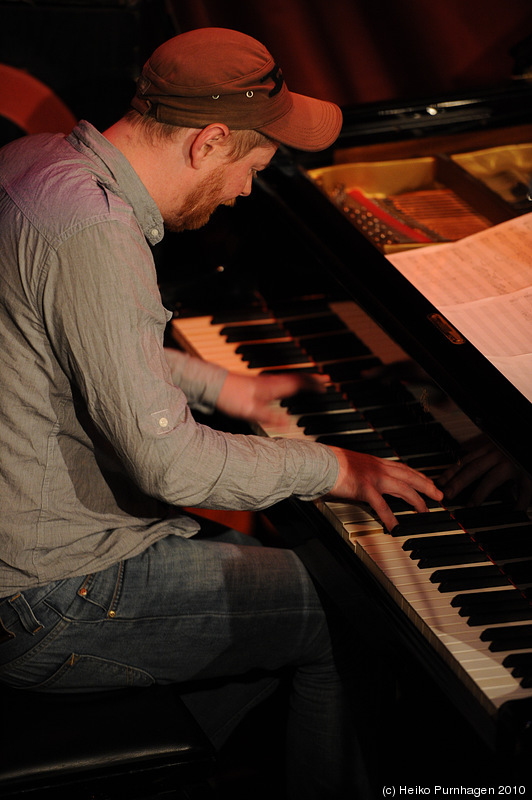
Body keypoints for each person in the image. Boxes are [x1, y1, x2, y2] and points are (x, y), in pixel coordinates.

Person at [0, 27, 443, 798]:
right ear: (209, 141)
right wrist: (333, 464)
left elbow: (72, 338)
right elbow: (169, 464)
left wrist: (217, 387)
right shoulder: (99, 233)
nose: (244, 192)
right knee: (360, 616)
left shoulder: (35, 163)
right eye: (254, 166)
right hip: (50, 598)